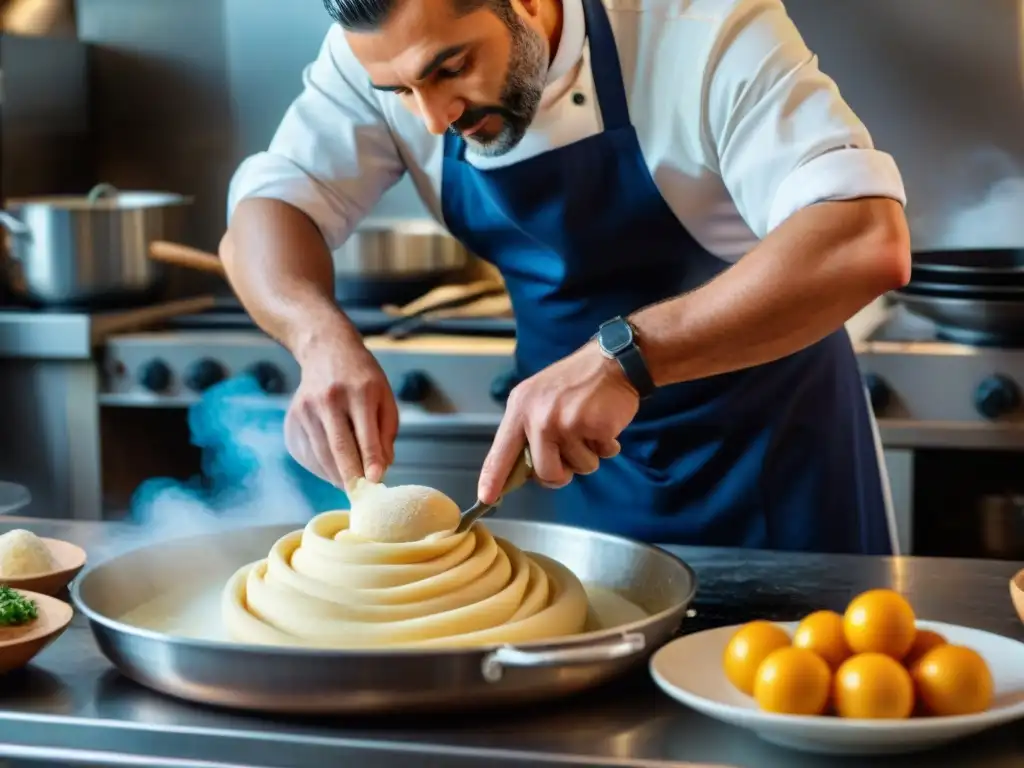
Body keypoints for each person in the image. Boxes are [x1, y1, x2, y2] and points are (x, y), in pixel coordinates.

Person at [220, 0, 911, 554]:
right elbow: (269, 209)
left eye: (453, 67)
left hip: (775, 468)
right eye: (400, 92)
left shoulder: (703, 30)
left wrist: (622, 360)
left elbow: (863, 238)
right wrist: (317, 338)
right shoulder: (382, 56)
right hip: (578, 462)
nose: (433, 118)